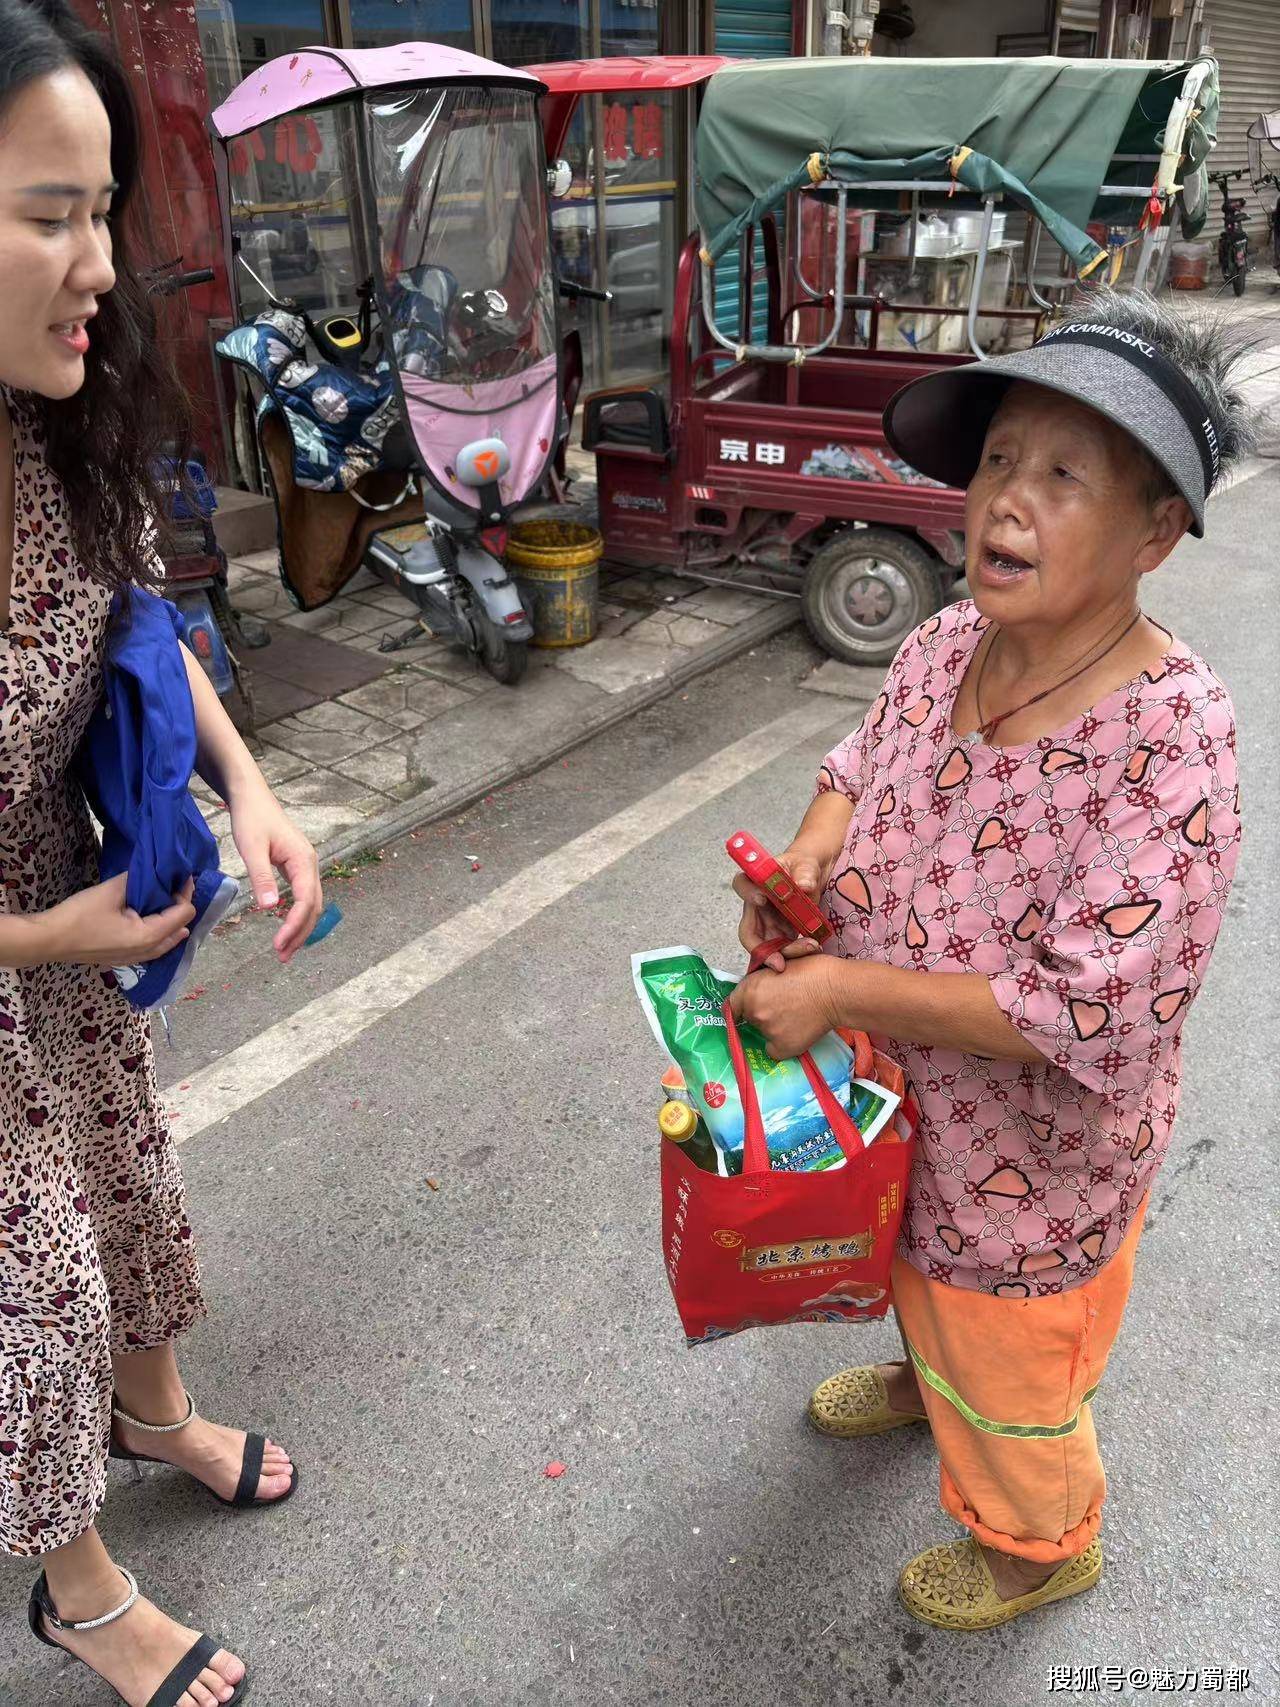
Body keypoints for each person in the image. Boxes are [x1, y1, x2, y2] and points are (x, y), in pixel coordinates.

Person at [731, 289, 1251, 1631]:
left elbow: (1086, 1008)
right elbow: (858, 769)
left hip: (1034, 1174)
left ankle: (1041, 1540)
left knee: (1013, 1365)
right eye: (1003, 461)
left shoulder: (1175, 740)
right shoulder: (943, 640)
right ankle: (926, 1387)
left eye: (1063, 475)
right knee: (919, 1286)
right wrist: (807, 864)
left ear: (1155, 533)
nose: (1006, 502)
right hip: (905, 1115)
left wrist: (836, 987)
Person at [0, 4, 323, 1701]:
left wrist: (249, 787)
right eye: (51, 212)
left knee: (130, 1187)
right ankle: (77, 1584)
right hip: (27, 937)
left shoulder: (55, 430)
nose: (100, 264)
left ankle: (159, 1417)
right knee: (34, 1275)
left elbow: (137, 626)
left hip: (71, 920)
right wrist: (52, 941)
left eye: (103, 211)